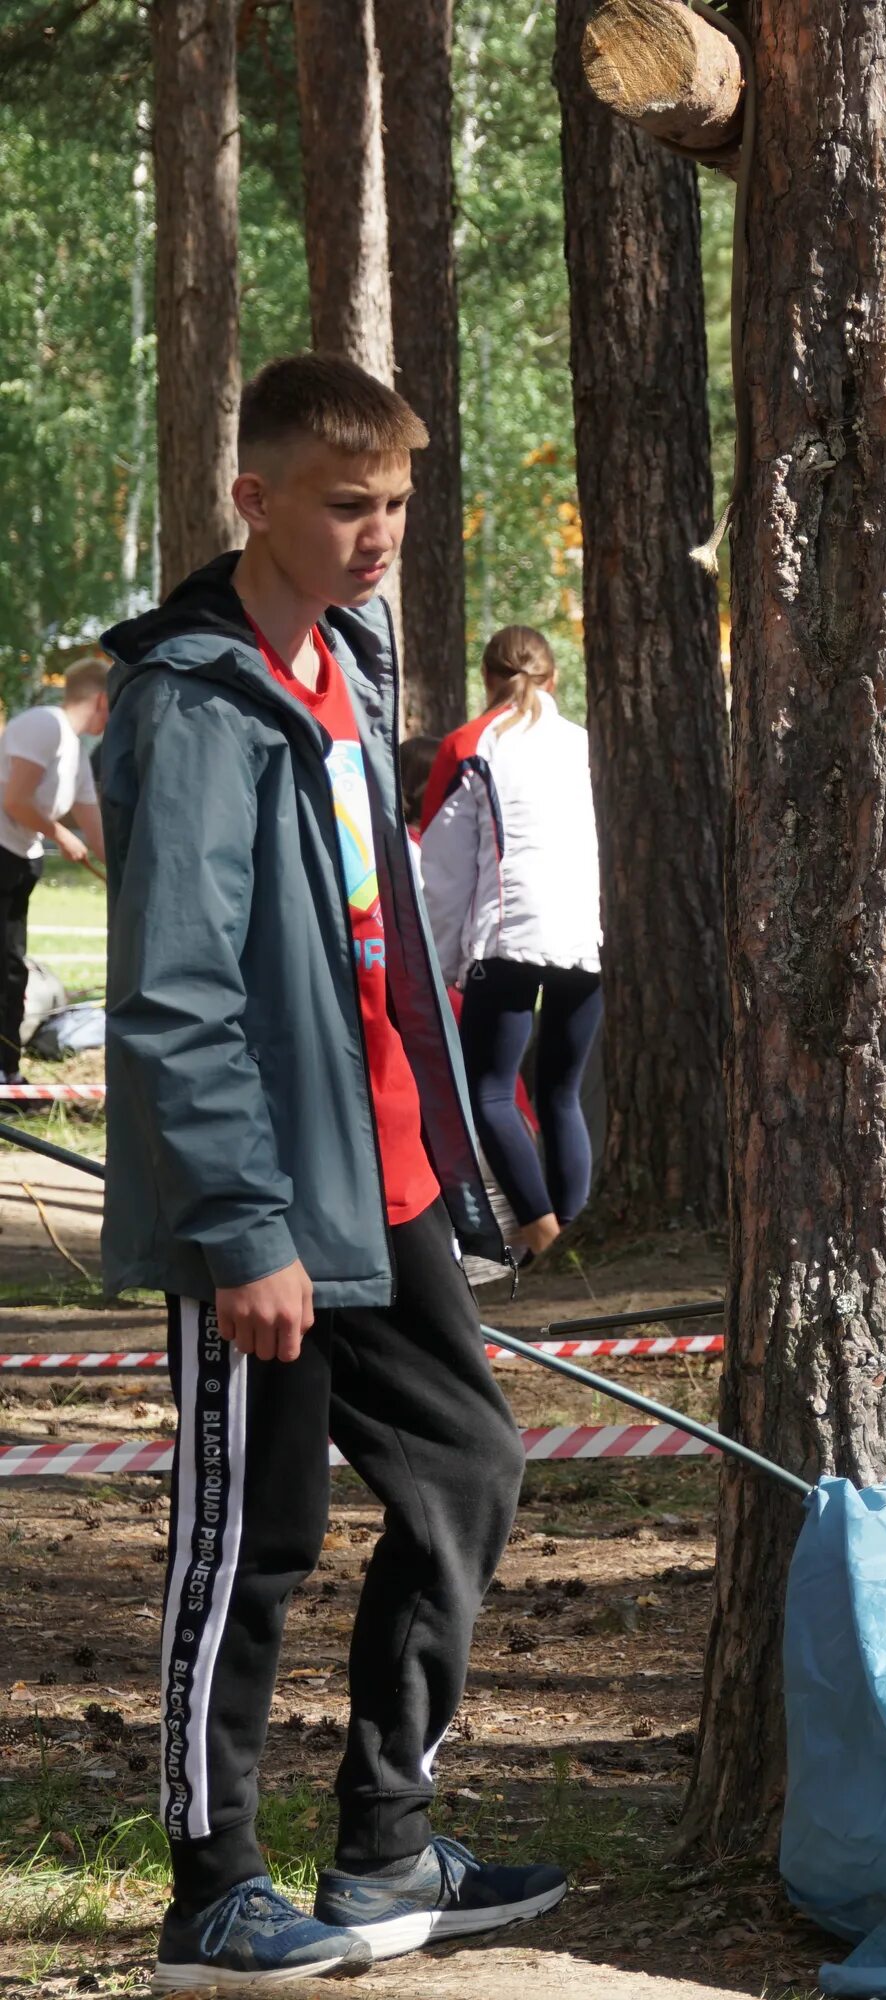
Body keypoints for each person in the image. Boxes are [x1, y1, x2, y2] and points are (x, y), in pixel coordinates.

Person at [97, 353, 563, 1989]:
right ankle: (213, 1891)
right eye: (348, 504)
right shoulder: (193, 699)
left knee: (466, 1469)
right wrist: (240, 1226)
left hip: (391, 1177)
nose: (381, 535)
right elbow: (174, 994)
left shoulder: (349, 664)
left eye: (399, 506)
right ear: (255, 498)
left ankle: (382, 1849)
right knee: (255, 1533)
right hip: (270, 1197)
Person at [422, 626, 604, 1264]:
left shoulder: (469, 745)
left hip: (508, 940)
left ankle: (542, 1234)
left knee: (490, 1093)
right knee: (561, 1092)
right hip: (582, 940)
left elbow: (443, 875)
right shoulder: (583, 743)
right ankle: (572, 1234)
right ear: (553, 679)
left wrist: (445, 965)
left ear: (486, 678)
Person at [0, 659, 109, 1083]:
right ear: (102, 700)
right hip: (3, 854)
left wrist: (125, 876)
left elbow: (95, 830)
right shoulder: (44, 725)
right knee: (5, 968)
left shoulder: (75, 753)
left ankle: (7, 1072)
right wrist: (60, 834)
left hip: (21, 862)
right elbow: (15, 799)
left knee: (12, 970)